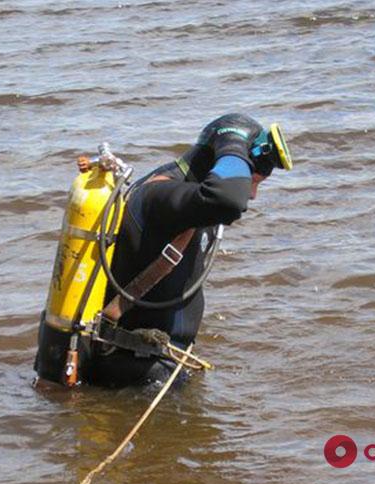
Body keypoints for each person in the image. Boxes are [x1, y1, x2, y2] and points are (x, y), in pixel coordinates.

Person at [85, 113, 293, 387]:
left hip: (154, 367)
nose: (251, 194)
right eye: (251, 180)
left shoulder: (184, 196)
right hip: (135, 376)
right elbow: (227, 199)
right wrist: (233, 143)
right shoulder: (160, 196)